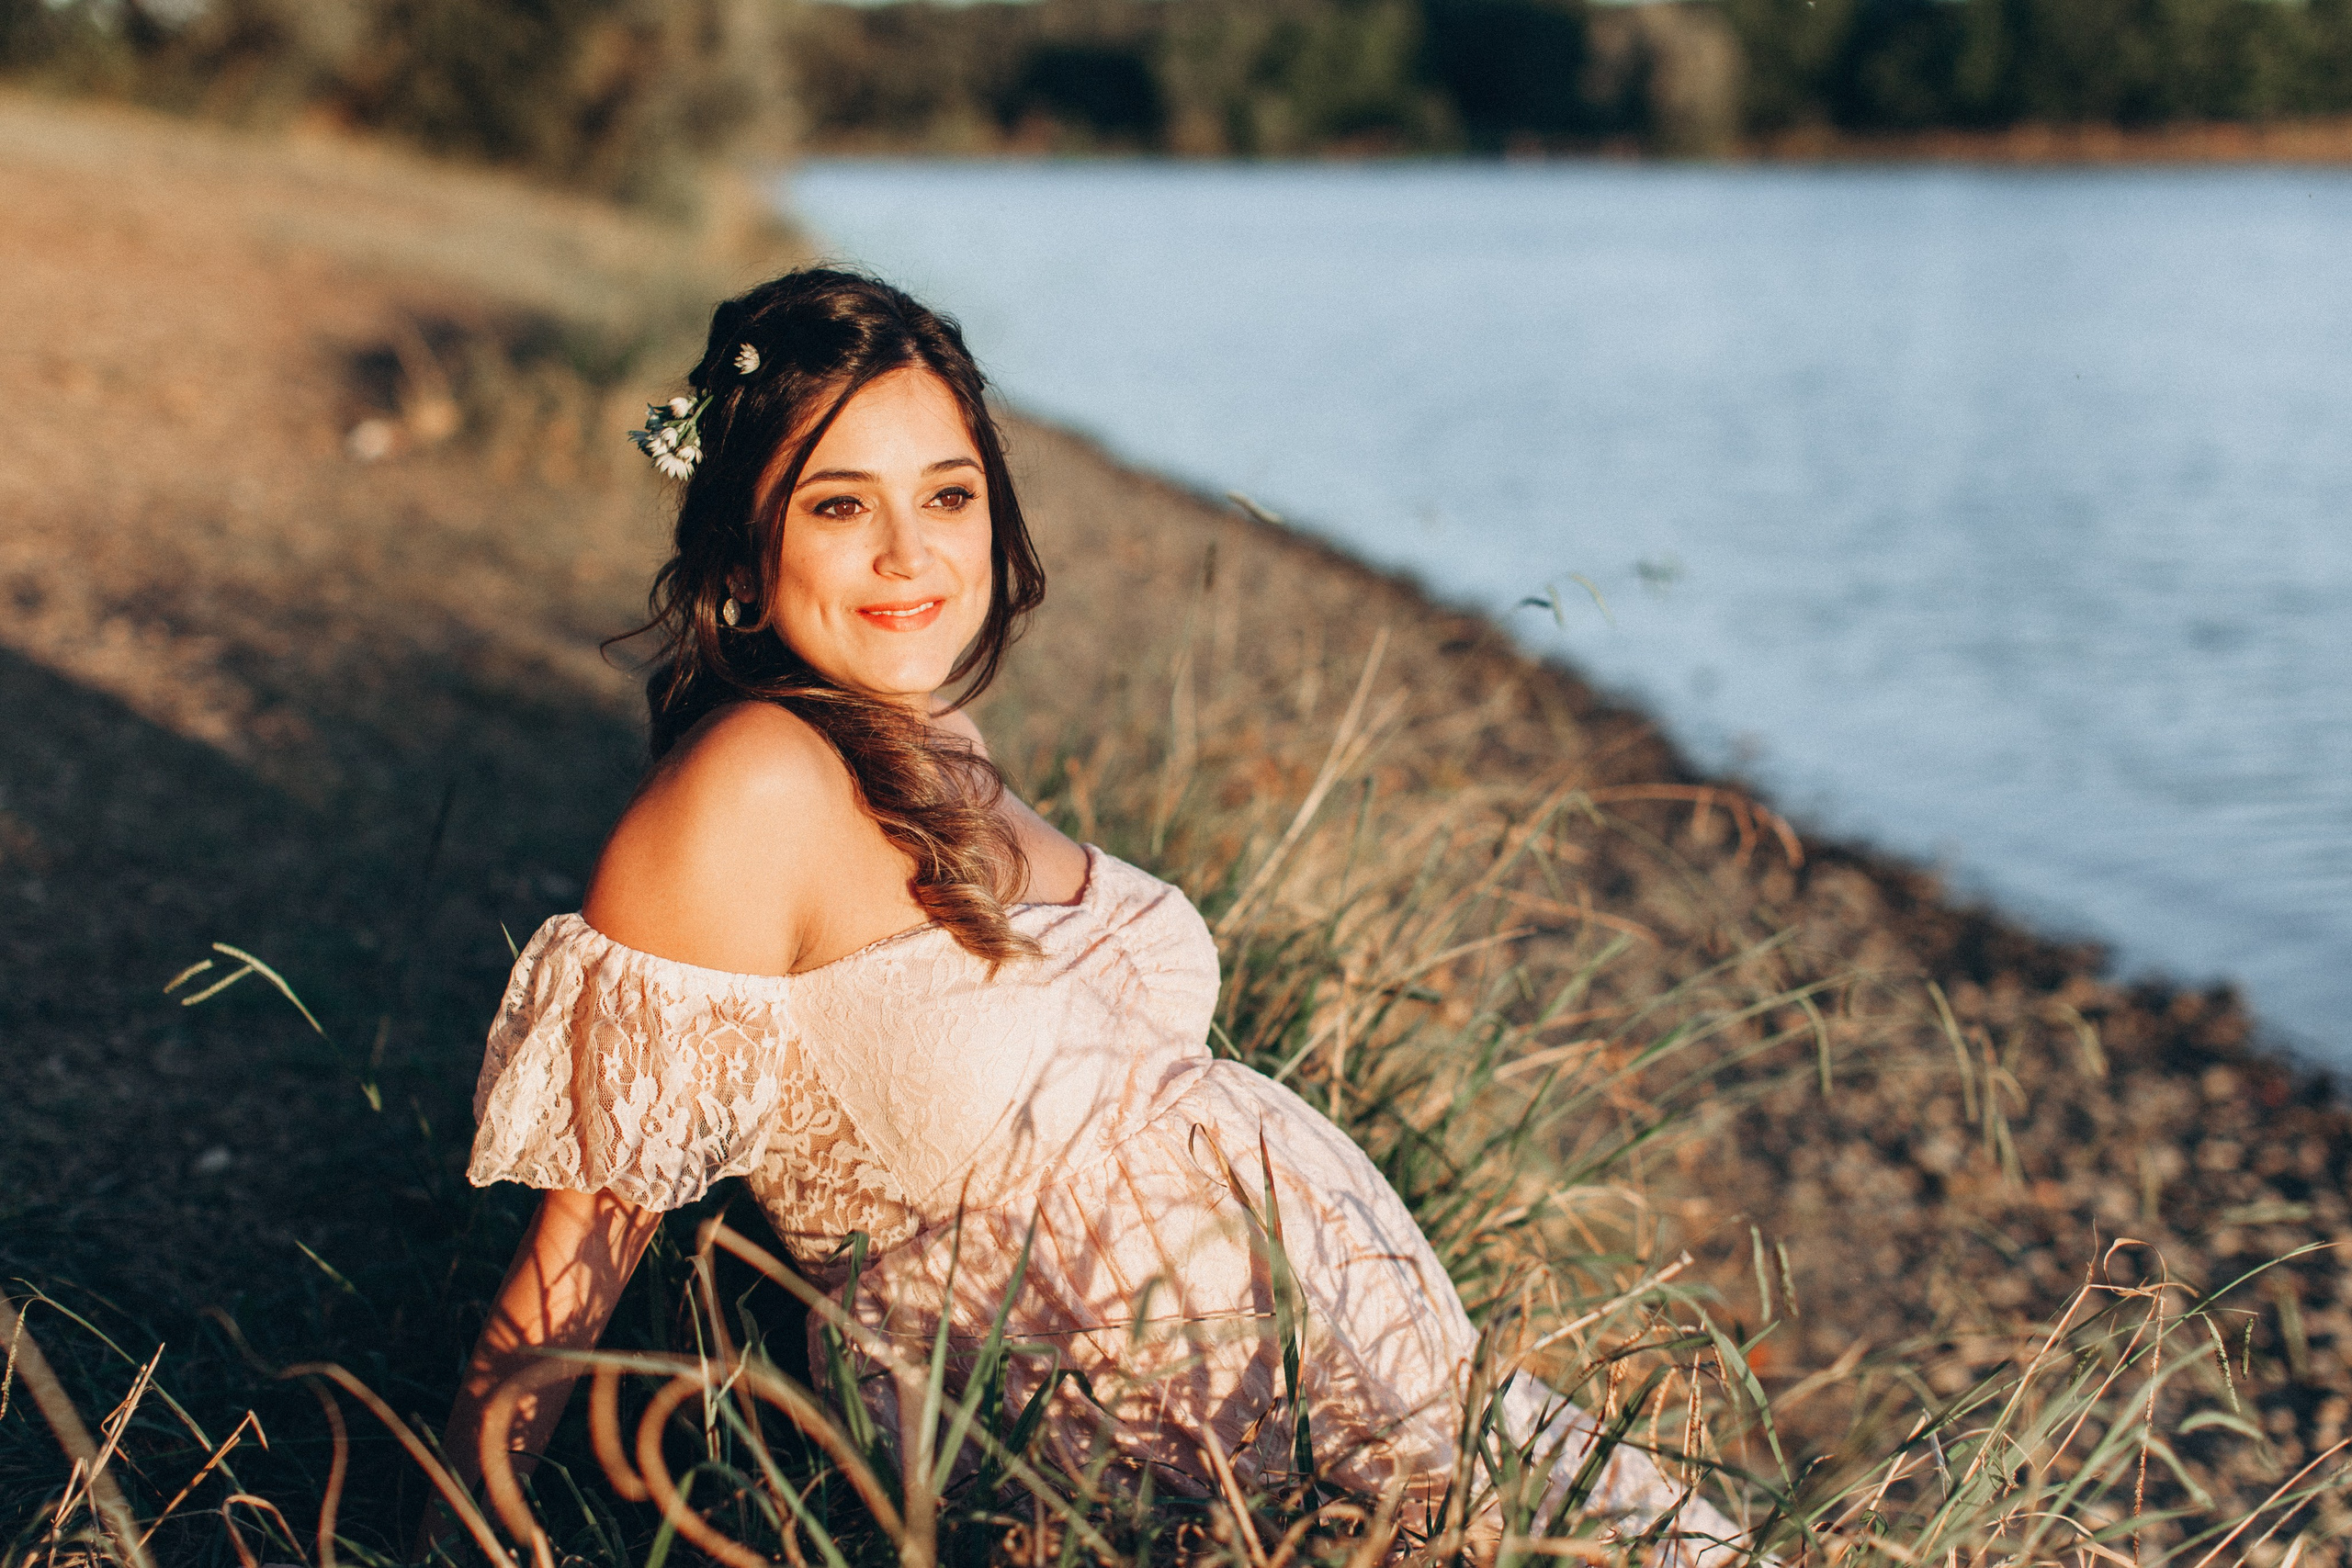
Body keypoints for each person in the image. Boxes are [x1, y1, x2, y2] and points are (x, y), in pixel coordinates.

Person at [438, 269, 1743, 1563]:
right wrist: (450, 1539)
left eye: (949, 496)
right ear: (739, 548)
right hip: (1136, 1461)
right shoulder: (750, 787)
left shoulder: (935, 736)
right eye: (842, 506)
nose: (912, 555)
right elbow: (579, 1256)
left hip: (1362, 1383)